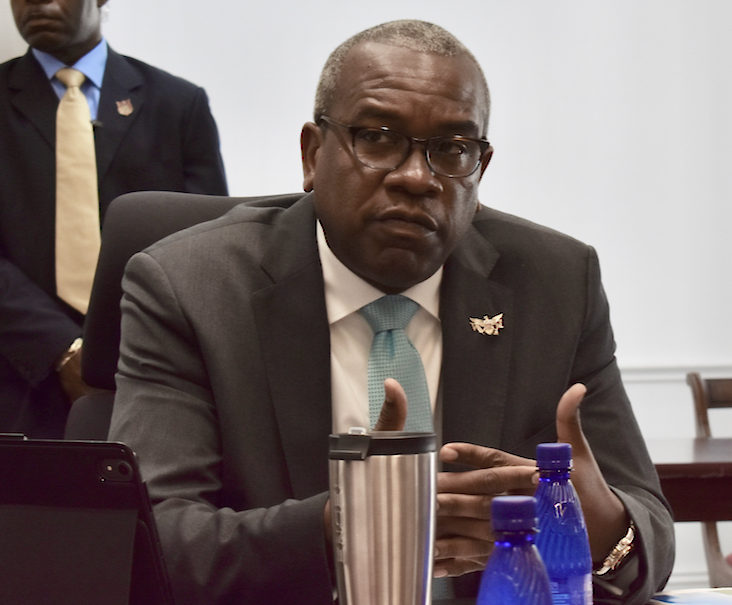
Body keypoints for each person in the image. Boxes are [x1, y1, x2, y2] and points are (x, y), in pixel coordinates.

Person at [108, 19, 674, 605]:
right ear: (312, 153)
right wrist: (349, 528)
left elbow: (646, 543)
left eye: (453, 149)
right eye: (377, 137)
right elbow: (149, 543)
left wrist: (594, 523)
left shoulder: (554, 284)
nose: (415, 177)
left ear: (479, 170)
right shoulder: (192, 288)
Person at [0, 0, 228, 439]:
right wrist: (62, 351)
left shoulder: (179, 105)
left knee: (152, 510)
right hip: (16, 385)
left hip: (155, 378)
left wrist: (127, 349)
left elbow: (206, 246)